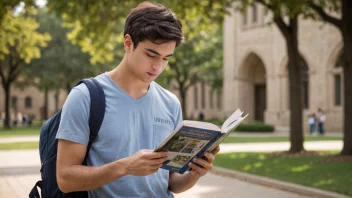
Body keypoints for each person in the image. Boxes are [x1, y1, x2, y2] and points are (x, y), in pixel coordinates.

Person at [56, 2, 220, 197]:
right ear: (128, 43)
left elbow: (171, 183)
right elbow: (65, 179)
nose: (158, 67)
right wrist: (125, 167)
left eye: (166, 58)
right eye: (151, 54)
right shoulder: (85, 96)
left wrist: (194, 174)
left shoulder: (170, 103)